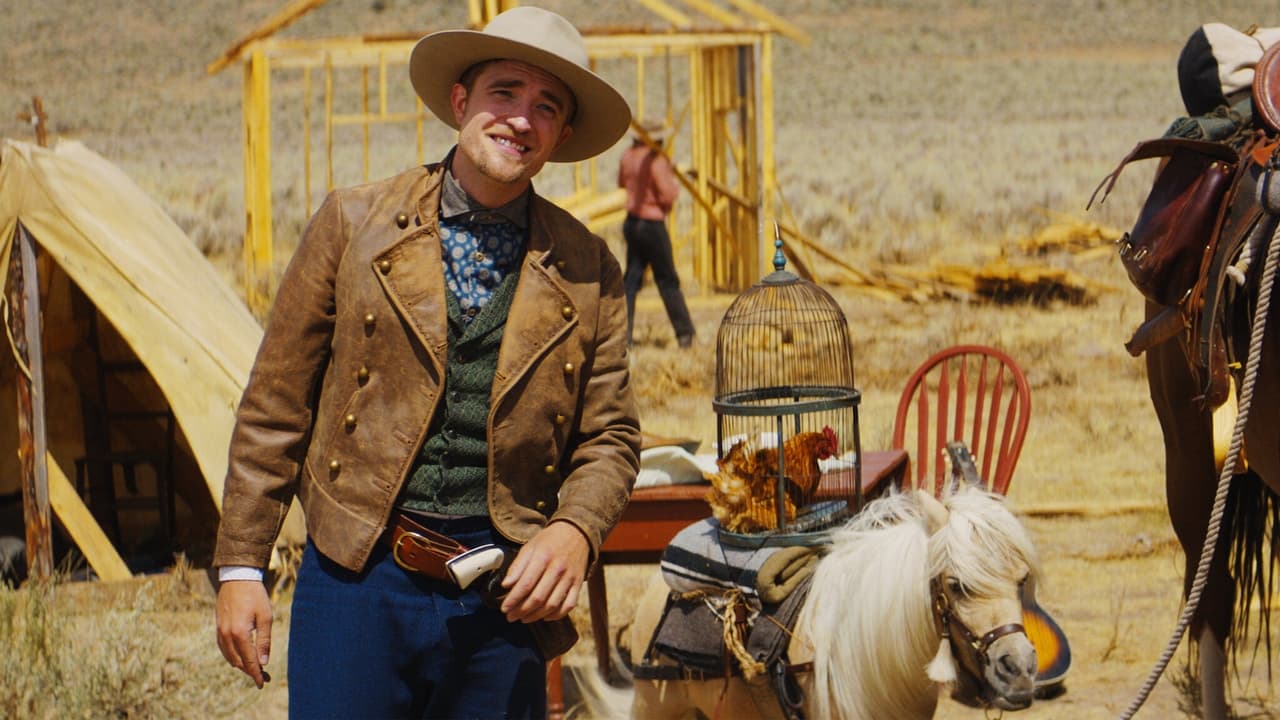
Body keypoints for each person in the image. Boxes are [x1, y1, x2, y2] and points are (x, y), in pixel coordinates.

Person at [212, 7, 641, 719]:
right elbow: (275, 404)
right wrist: (240, 566)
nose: (521, 119)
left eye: (547, 107)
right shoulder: (353, 223)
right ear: (461, 101)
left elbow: (611, 438)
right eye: (505, 92)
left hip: (503, 594)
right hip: (356, 575)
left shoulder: (588, 266)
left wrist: (575, 529)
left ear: (562, 136)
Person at [617, 116, 696, 348]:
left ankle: (623, 336)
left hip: (632, 222)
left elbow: (622, 182)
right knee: (667, 280)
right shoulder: (657, 160)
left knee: (631, 282)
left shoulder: (627, 156)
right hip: (652, 225)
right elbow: (668, 195)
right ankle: (685, 334)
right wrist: (672, 178)